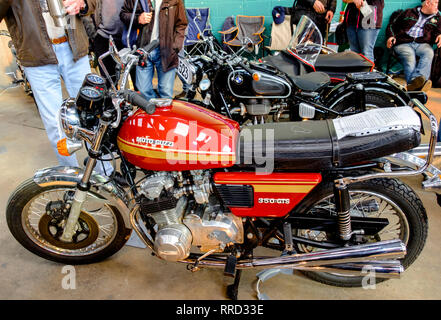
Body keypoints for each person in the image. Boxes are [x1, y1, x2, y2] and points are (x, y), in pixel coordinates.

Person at [120, 0, 188, 101]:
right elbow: (123, 14)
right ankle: (153, 111)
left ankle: (162, 115)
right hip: (143, 50)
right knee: (143, 91)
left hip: (167, 51)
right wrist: (137, 18)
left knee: (165, 93)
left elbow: (181, 24)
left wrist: (175, 46)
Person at [386, 0, 441, 91]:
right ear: (427, 3)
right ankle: (417, 87)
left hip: (422, 44)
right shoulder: (408, 12)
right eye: (435, 2)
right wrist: (390, 36)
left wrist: (440, 34)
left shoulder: (438, 18)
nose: (437, 5)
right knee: (410, 57)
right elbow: (392, 25)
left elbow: (438, 31)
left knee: (429, 52)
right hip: (403, 42)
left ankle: (414, 83)